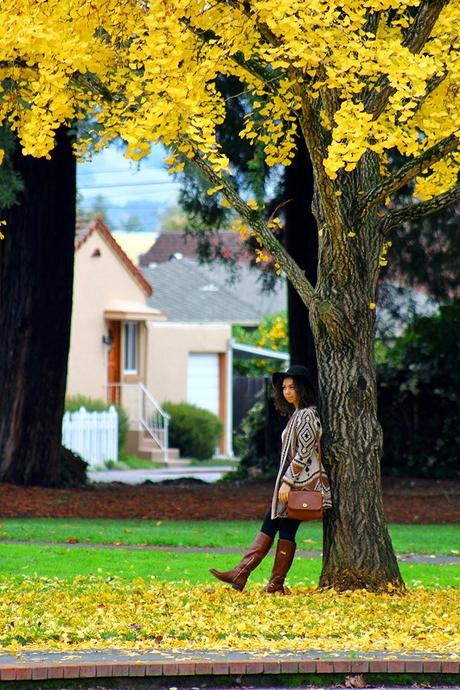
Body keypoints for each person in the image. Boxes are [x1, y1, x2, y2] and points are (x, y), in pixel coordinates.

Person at [209, 364, 331, 594]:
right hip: (293, 483)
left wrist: (288, 481)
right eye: (284, 387)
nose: (287, 391)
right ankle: (264, 581)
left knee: (276, 523)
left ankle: (248, 574)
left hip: (297, 484)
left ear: (302, 388)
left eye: (292, 387)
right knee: (281, 527)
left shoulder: (306, 415)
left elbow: (304, 451)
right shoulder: (297, 414)